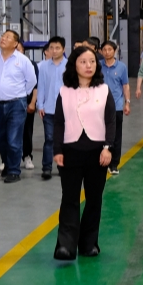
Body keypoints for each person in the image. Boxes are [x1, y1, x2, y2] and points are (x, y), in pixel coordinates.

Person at [51, 46, 117, 260]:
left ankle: (89, 243)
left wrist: (108, 148)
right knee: (69, 198)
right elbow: (58, 122)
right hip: (70, 152)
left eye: (92, 61)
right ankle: (66, 246)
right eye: (83, 62)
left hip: (98, 153)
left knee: (94, 199)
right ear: (74, 65)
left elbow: (111, 121)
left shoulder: (104, 90)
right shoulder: (64, 92)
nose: (89, 66)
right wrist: (57, 149)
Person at [0, 29, 37, 183]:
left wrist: (21, 95)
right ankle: (8, 162)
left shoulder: (22, 60)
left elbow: (32, 81)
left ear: (15, 43)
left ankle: (14, 171)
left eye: (8, 37)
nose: (3, 38)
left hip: (16, 104)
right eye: (3, 36)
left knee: (13, 138)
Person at [33, 36, 68, 180]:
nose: (54, 50)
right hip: (48, 109)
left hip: (66, 110)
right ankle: (46, 168)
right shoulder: (43, 66)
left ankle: (62, 166)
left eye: (57, 48)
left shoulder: (70, 66)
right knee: (49, 139)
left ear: (63, 49)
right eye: (51, 48)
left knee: (65, 140)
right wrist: (40, 105)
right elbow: (41, 86)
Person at [100, 40, 130, 175]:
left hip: (116, 107)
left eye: (110, 50)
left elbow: (125, 85)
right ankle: (102, 161)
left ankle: (114, 164)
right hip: (99, 106)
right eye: (104, 50)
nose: (107, 52)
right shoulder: (97, 66)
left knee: (116, 136)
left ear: (115, 51)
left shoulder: (122, 67)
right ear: (101, 51)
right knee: (101, 135)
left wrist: (127, 102)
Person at [19, 39, 39, 172]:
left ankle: (27, 156)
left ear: (23, 50)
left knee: (26, 131)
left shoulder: (31, 64)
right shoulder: (3, 64)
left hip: (26, 102)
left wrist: (33, 102)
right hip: (9, 102)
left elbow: (35, 85)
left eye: (19, 49)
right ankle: (6, 160)